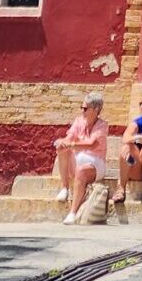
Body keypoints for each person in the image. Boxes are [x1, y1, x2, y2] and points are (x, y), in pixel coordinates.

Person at [53, 94, 110, 222]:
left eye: (85, 108)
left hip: (96, 163)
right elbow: (70, 136)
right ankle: (65, 188)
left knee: (81, 171)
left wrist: (72, 145)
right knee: (62, 149)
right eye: (82, 108)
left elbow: (92, 144)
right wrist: (64, 142)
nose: (82, 111)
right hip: (78, 158)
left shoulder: (102, 125)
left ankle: (73, 212)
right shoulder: (79, 121)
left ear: (96, 110)